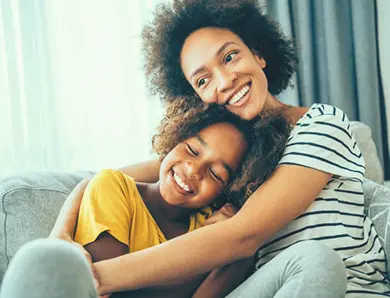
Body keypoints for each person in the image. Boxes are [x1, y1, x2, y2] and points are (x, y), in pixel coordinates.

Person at [87, 0, 384, 297]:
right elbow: (105, 178)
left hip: (350, 287)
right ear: (197, 98)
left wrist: (97, 277)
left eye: (230, 57)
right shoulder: (225, 158)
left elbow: (245, 235)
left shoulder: (321, 125)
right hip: (271, 288)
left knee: (317, 259)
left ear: (258, 55)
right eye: (203, 80)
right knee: (314, 259)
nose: (226, 80)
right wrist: (61, 235)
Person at [1, 103, 282, 298]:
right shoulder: (114, 188)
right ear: (175, 138)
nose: (193, 171)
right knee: (37, 257)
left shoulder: (216, 230)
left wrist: (225, 248)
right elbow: (113, 289)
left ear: (225, 191)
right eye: (192, 150)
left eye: (216, 174)